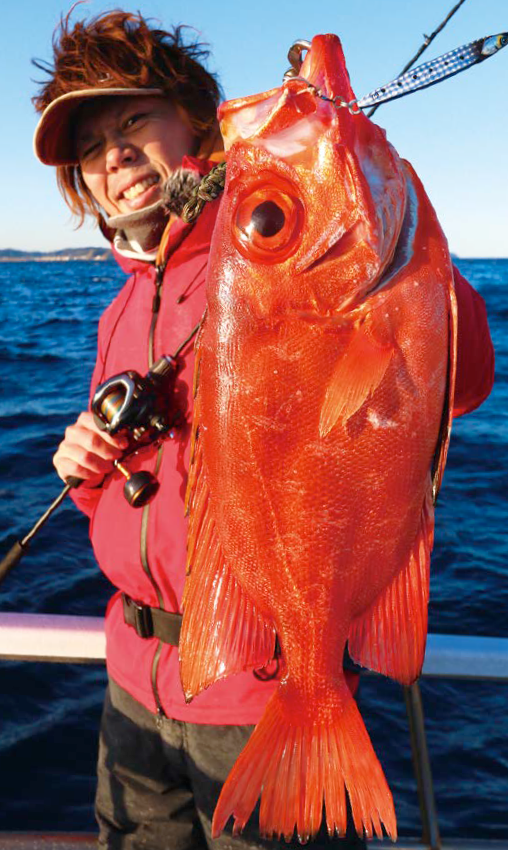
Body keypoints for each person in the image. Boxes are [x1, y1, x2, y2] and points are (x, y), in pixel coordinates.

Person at [33, 10, 494, 850]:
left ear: (196, 121)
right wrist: (89, 471)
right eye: (91, 147)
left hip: (258, 690)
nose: (114, 156)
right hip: (135, 682)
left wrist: (368, 200)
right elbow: (155, 491)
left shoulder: (251, 248)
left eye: (133, 120)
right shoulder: (123, 304)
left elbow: (456, 381)